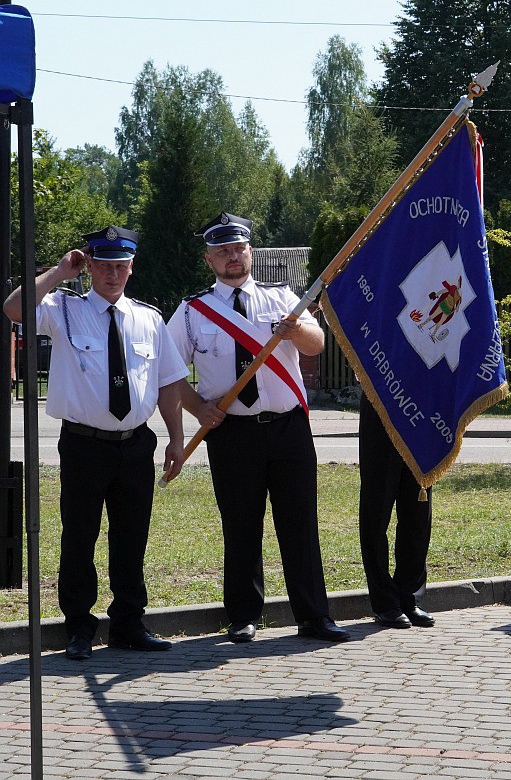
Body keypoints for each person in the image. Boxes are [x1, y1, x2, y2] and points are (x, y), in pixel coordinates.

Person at [3, 226, 187, 660]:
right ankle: (79, 629)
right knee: (79, 536)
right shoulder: (63, 308)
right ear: (90, 267)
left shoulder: (149, 318)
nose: (112, 274)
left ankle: (128, 623)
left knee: (131, 537)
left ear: (131, 268)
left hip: (136, 443)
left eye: (120, 266)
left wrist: (176, 439)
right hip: (84, 444)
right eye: (103, 265)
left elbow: (168, 385)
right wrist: (58, 273)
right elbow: (12, 308)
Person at [166, 213, 349, 644]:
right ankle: (244, 615)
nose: (232, 257)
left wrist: (296, 330)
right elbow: (170, 373)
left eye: (238, 249)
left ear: (251, 252)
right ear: (209, 259)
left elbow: (317, 344)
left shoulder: (283, 297)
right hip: (233, 432)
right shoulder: (193, 312)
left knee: (300, 523)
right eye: (222, 251)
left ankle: (314, 615)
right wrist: (198, 409)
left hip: (288, 428)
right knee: (240, 524)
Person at [358, 393, 435, 629]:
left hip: (422, 408)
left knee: (418, 513)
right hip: (381, 398)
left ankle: (410, 597)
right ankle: (385, 604)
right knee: (377, 513)